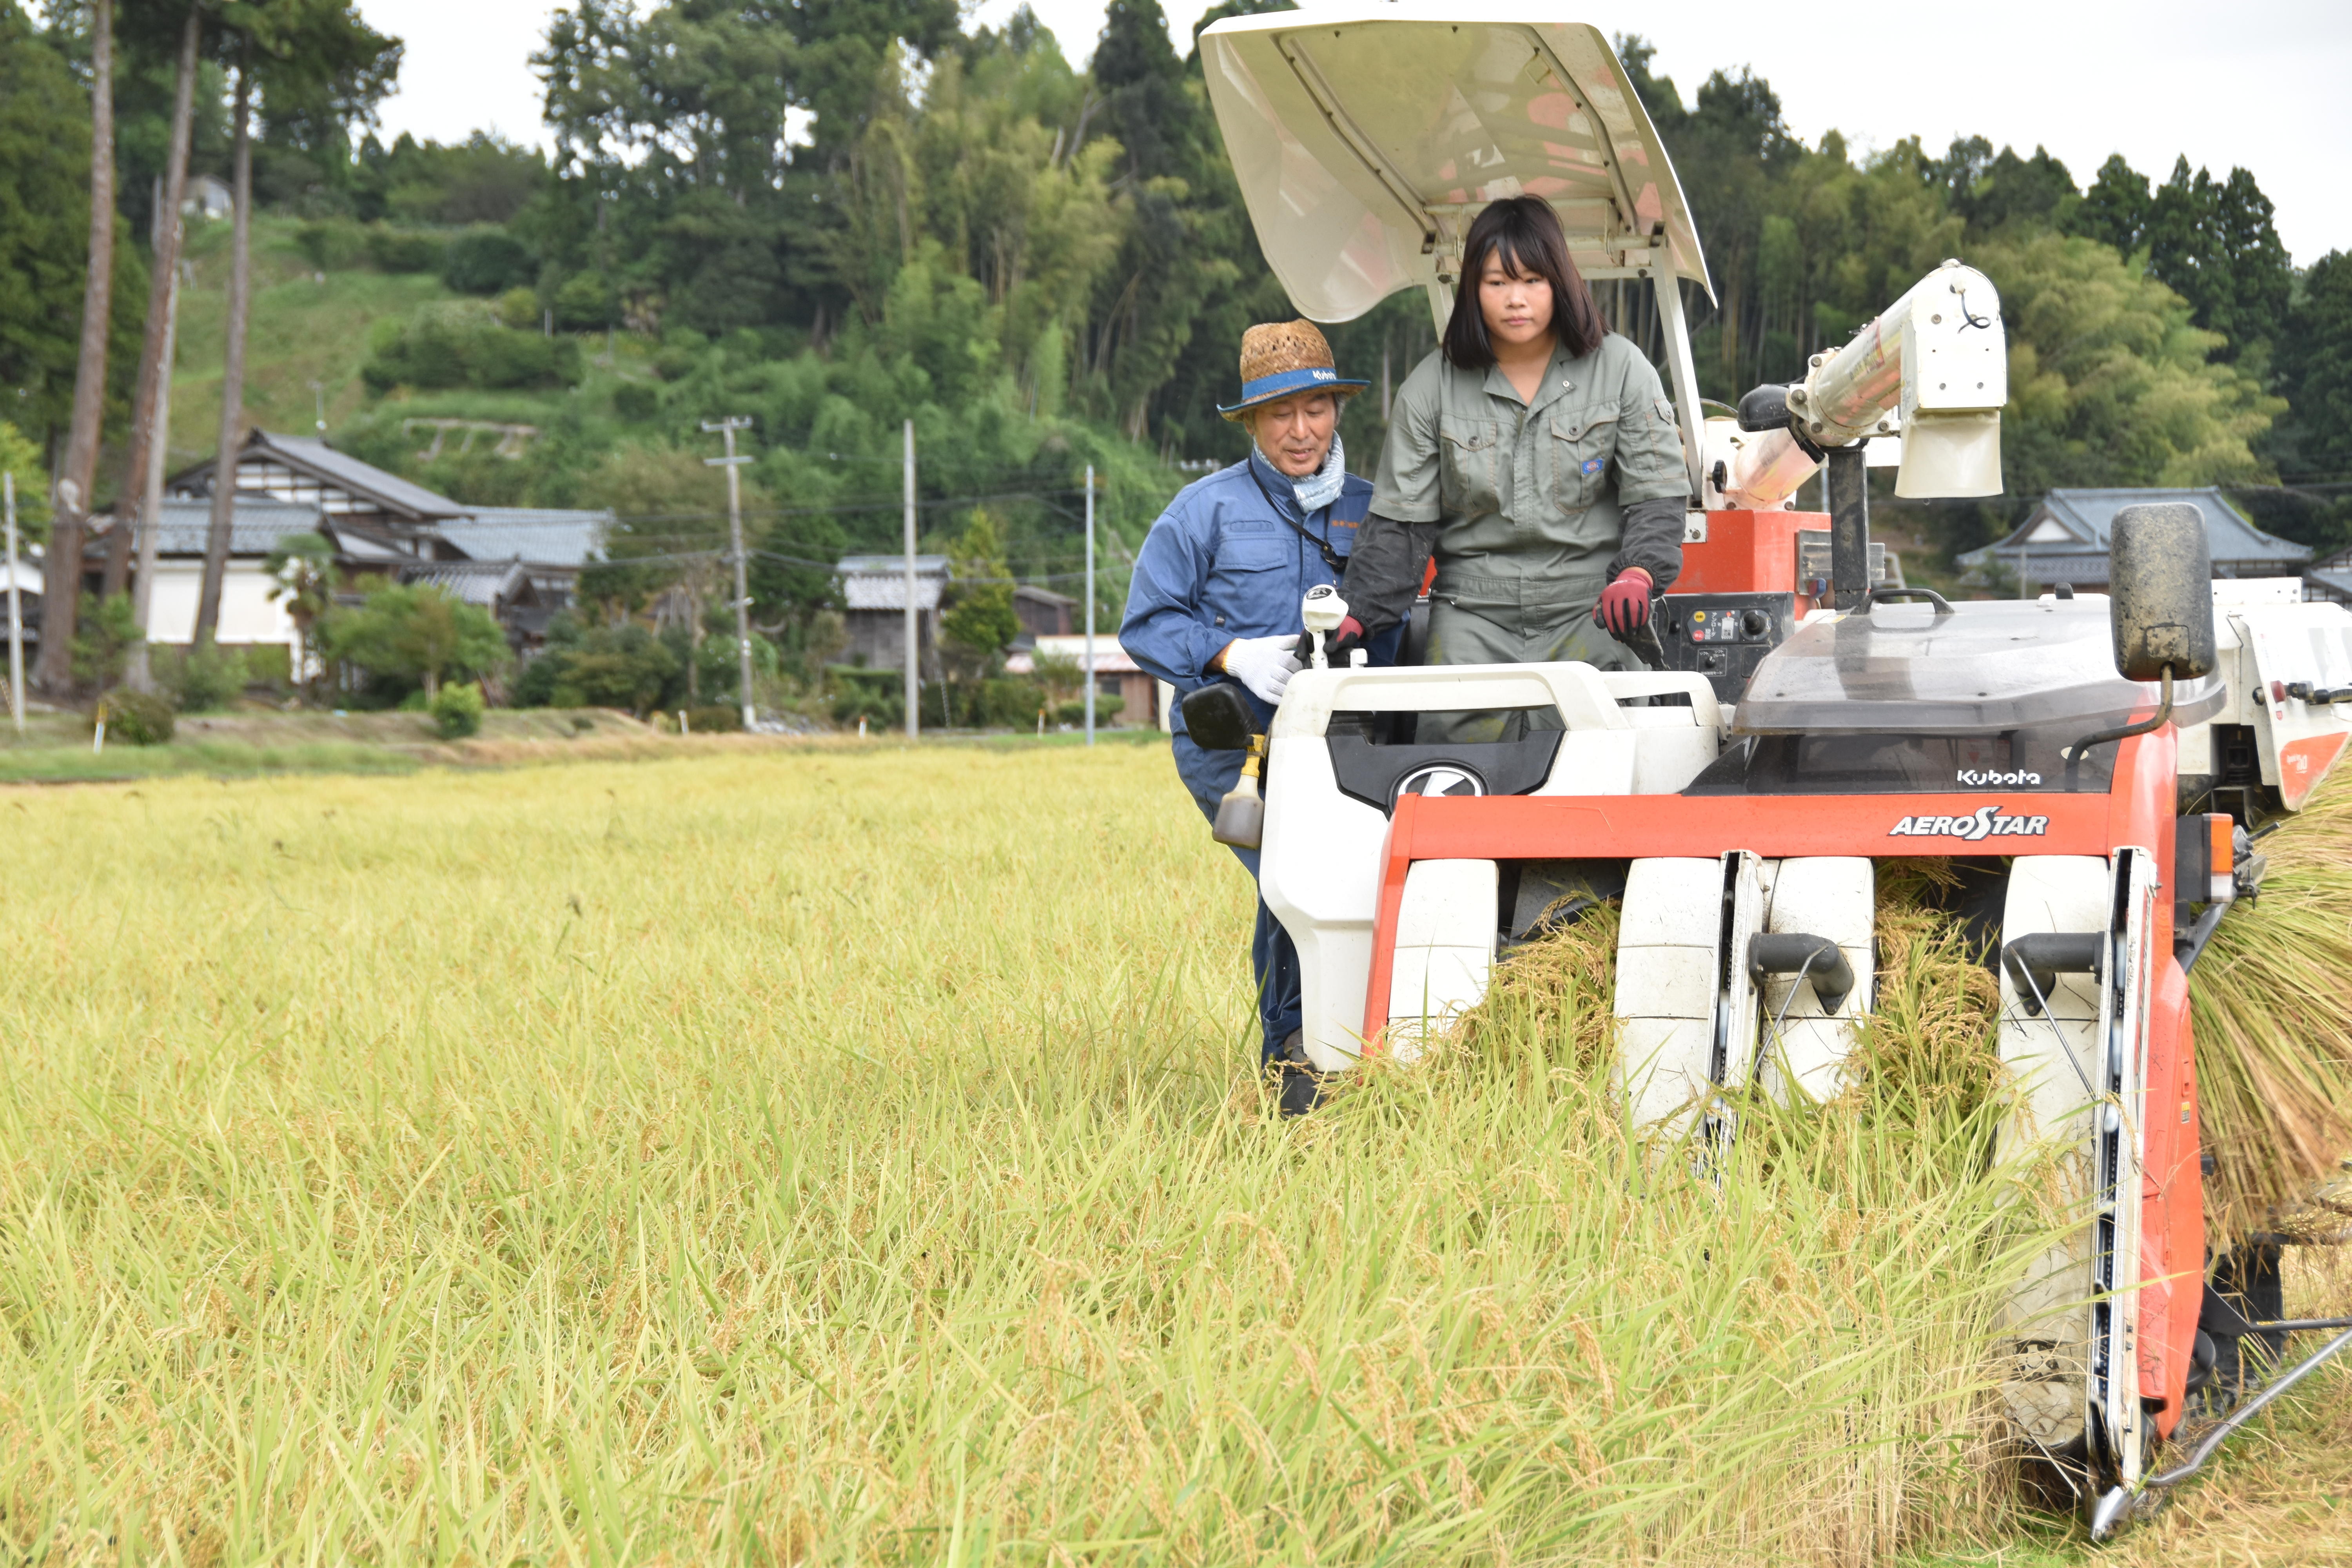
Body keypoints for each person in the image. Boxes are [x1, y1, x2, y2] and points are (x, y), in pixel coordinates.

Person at [1122, 319, 1400, 1114]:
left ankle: (1346, 1041)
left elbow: (1404, 627)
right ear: (1251, 422)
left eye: (1316, 408)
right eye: (1281, 415)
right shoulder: (1201, 511)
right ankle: (1296, 1059)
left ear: (1337, 410)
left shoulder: (1372, 512)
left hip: (1347, 744)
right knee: (1295, 880)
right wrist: (1231, 653)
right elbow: (1147, 624)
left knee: (1335, 883)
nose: (1301, 430)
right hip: (1235, 747)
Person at [1328, 196, 1690, 690]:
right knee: (1456, 753)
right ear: (1474, 289)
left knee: (1607, 749)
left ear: (1559, 282)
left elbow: (1656, 496)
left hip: (1591, 610)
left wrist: (1638, 575)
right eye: (1497, 282)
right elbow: (1399, 528)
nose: (1515, 299)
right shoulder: (1429, 387)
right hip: (1473, 615)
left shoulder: (1623, 369)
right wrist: (1360, 611)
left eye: (1532, 281)